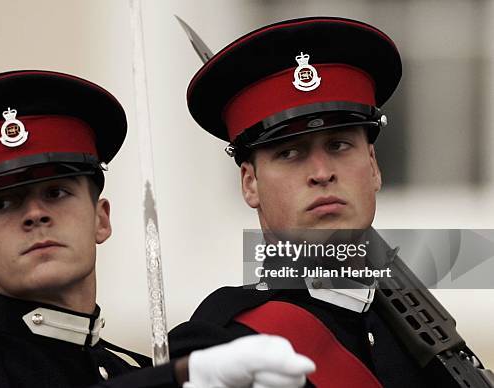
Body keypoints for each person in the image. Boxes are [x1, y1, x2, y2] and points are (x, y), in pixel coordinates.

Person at [0, 70, 315, 387]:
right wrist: (176, 378)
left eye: (57, 193)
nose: (34, 215)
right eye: (3, 203)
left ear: (101, 218)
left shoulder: (133, 368)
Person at [169, 17, 490, 387]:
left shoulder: (434, 346)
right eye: (290, 153)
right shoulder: (220, 347)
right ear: (250, 184)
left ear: (373, 167)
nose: (321, 172)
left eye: (339, 146)